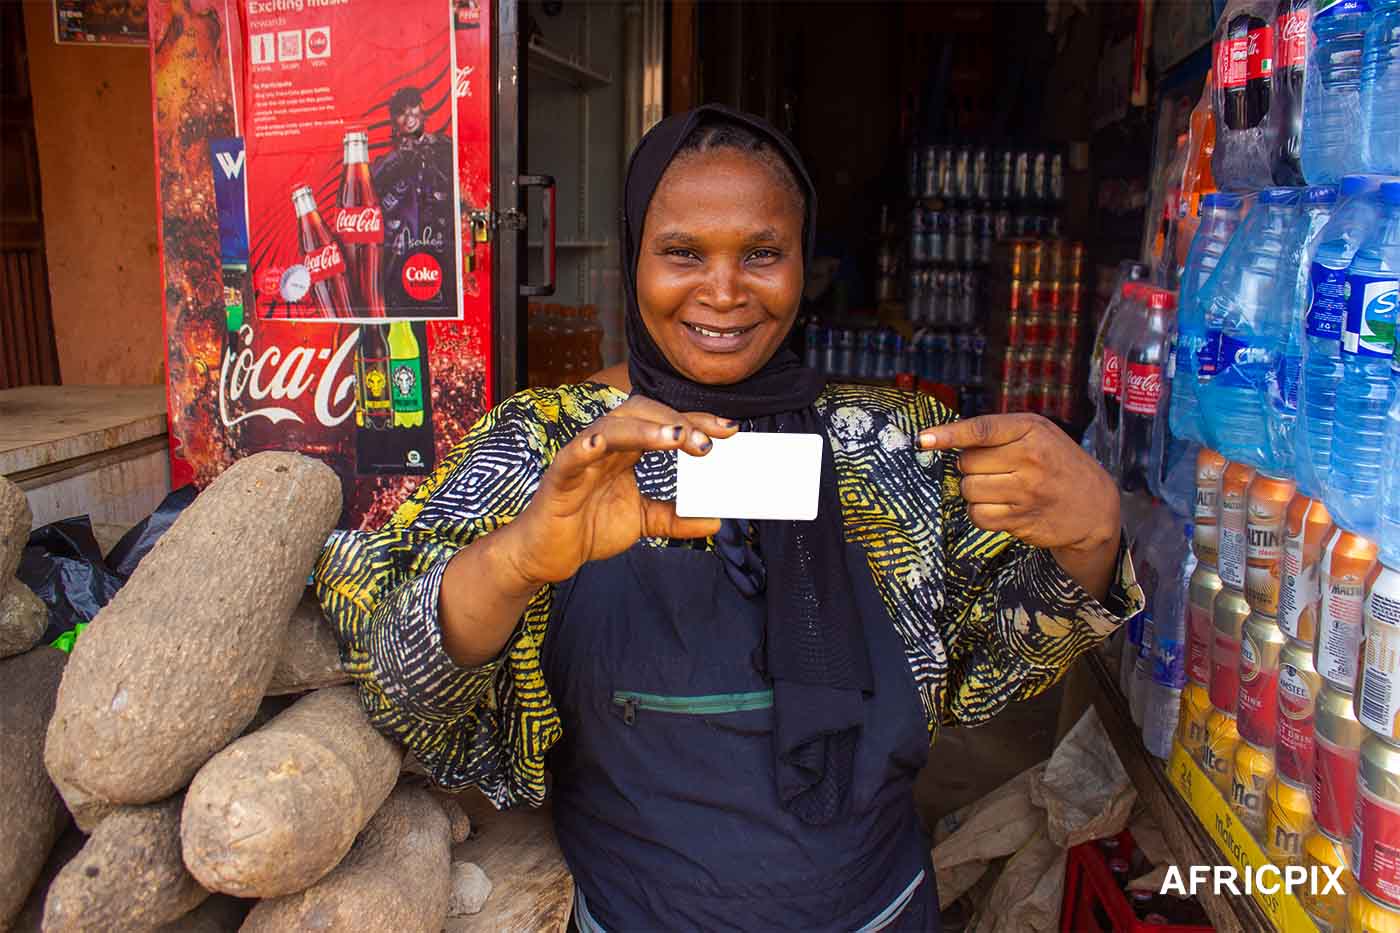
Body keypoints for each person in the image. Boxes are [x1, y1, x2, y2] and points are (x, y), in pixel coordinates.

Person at [316, 105, 1140, 931]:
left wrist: (1094, 537)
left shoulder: (887, 445)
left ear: (801, 262)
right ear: (633, 257)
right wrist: (518, 557)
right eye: (682, 252)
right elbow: (402, 692)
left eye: (761, 253)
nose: (723, 290)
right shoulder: (544, 444)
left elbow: (990, 663)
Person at [372, 86, 456, 317]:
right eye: (401, 112)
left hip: (441, 247)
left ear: (423, 109)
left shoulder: (444, 147)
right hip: (401, 252)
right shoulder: (386, 162)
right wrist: (399, 160)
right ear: (393, 120)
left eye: (413, 108)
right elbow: (372, 201)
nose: (409, 117)